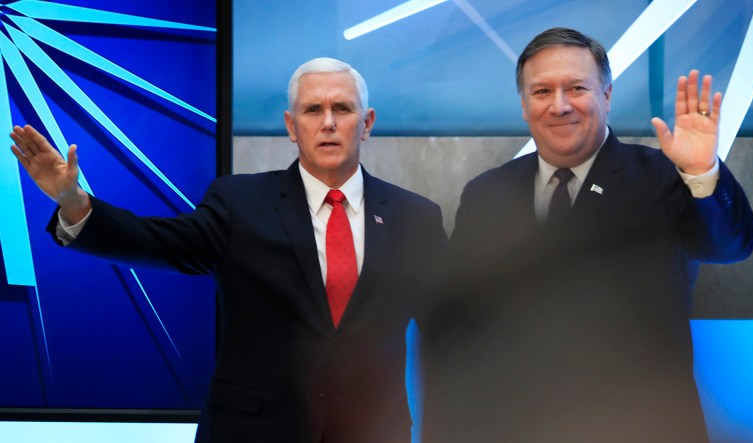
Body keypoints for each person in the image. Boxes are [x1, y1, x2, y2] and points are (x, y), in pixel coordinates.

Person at [11, 57, 447, 443]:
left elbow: (456, 321)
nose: (328, 122)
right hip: (254, 430)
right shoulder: (239, 203)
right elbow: (158, 241)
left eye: (343, 109)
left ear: (367, 123)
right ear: (292, 126)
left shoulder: (415, 217)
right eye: (313, 110)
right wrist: (75, 203)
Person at [422, 27, 753, 443]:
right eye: (541, 91)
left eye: (576, 87)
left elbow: (730, 246)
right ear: (524, 105)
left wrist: (702, 173)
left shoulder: (664, 178)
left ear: (607, 95)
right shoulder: (487, 192)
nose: (559, 106)